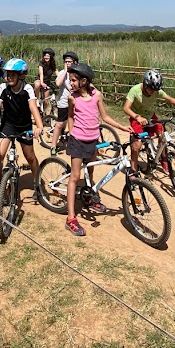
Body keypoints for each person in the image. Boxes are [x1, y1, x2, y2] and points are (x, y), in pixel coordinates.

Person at [64, 63, 131, 238]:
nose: (71, 83)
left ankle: (89, 197)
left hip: (93, 140)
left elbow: (105, 117)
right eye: (70, 80)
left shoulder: (97, 96)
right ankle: (71, 218)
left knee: (90, 172)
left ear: (84, 81)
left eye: (73, 80)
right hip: (78, 141)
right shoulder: (73, 98)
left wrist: (122, 127)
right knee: (75, 176)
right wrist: (71, 133)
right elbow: (70, 116)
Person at [0, 58, 43, 200]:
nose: (9, 77)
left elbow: (33, 107)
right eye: (7, 74)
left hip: (24, 126)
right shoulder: (3, 88)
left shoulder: (27, 89)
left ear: (21, 75)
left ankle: (37, 184)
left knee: (30, 157)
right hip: (7, 125)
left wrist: (39, 126)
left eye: (12, 74)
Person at [123, 69, 175, 172]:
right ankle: (133, 170)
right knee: (137, 145)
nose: (153, 92)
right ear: (145, 85)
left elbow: (169, 98)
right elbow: (126, 108)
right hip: (137, 118)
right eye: (151, 89)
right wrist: (137, 117)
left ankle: (163, 157)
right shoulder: (135, 90)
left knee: (162, 134)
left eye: (155, 90)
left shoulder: (156, 90)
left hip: (150, 116)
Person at [51, 50, 78, 155]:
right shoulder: (62, 73)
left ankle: (73, 143)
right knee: (60, 124)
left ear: (74, 62)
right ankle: (53, 146)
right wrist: (66, 71)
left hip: (75, 102)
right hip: (64, 102)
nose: (67, 63)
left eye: (69, 61)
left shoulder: (77, 73)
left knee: (75, 123)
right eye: (66, 61)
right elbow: (58, 83)